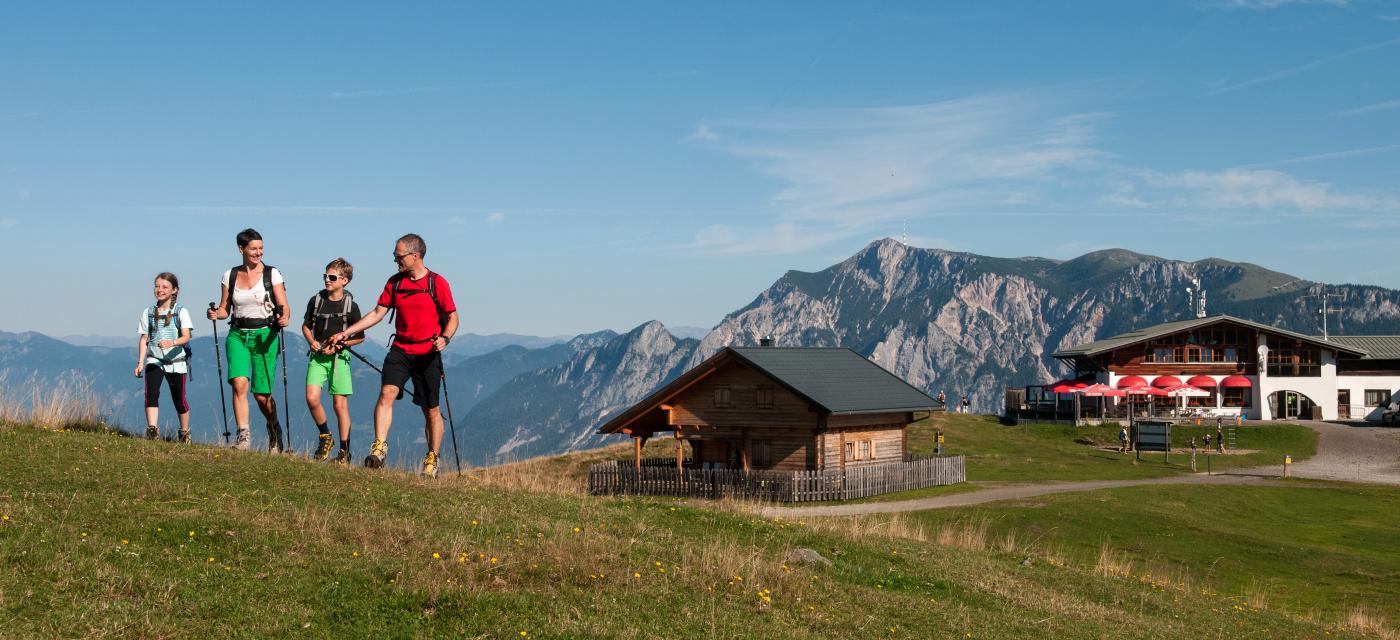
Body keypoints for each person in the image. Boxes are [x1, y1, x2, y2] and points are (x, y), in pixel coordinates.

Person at [328, 233, 459, 477]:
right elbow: (378, 313)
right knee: (387, 393)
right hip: (400, 348)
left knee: (431, 409)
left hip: (428, 352)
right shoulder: (395, 282)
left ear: (415, 255)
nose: (395, 260)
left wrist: (445, 338)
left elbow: (452, 317)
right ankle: (379, 448)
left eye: (399, 256)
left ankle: (432, 458)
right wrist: (347, 333)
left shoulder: (437, 283)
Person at [206, 228, 291, 452]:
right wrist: (216, 314)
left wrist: (284, 318)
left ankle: (274, 428)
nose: (258, 253)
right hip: (237, 333)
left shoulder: (272, 274)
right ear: (241, 249)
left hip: (265, 335)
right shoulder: (230, 275)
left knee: (262, 395)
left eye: (261, 248)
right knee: (239, 383)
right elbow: (225, 308)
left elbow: (284, 305)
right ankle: (243, 437)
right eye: (253, 248)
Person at [302, 258, 364, 463]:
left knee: (340, 405)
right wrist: (311, 341)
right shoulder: (316, 301)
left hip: (340, 359)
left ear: (344, 280)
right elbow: (306, 325)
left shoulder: (351, 306)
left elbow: (360, 336)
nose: (327, 280)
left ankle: (345, 451)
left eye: (332, 277)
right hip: (318, 357)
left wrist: (341, 345)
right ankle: (325, 436)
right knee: (312, 398)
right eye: (325, 276)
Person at [135, 272, 193, 442]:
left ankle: (184, 433)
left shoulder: (180, 311)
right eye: (157, 286)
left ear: (174, 290)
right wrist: (140, 362)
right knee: (151, 393)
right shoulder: (149, 312)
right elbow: (144, 338)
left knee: (179, 400)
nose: (159, 290)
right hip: (155, 359)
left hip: (176, 361)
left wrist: (172, 342)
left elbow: (186, 336)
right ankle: (152, 430)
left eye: (164, 287)